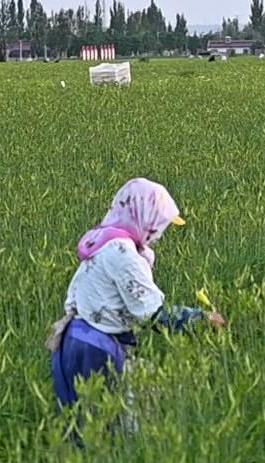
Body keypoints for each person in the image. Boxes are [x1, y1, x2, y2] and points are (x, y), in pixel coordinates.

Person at [46, 178, 225, 444]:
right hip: (95, 348)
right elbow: (153, 315)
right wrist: (203, 319)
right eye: (159, 225)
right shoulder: (123, 254)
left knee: (85, 425)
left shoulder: (105, 241)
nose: (159, 234)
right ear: (145, 216)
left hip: (76, 340)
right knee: (105, 429)